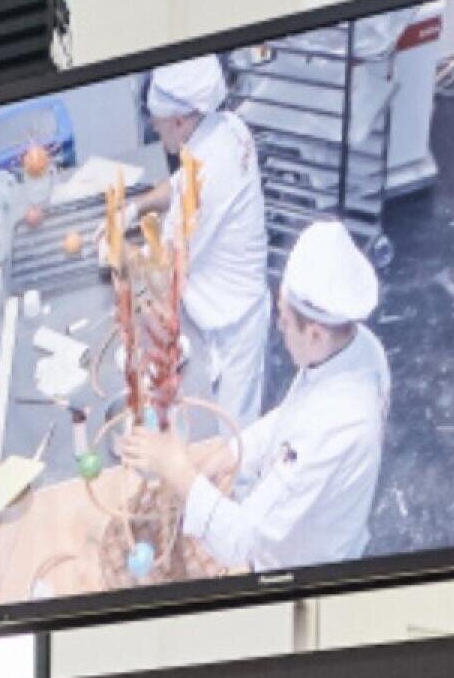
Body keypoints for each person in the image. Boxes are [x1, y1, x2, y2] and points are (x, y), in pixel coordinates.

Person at [120, 221, 390, 572]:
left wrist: (177, 469)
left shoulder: (338, 425)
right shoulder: (357, 345)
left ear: (316, 334)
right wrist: (230, 454)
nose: (280, 330)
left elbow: (239, 540)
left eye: (284, 322)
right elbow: (294, 415)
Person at [117, 55, 270, 426]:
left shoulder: (205, 183)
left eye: (159, 125)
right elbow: (179, 181)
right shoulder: (228, 126)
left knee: (231, 442)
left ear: (181, 121)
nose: (156, 130)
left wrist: (114, 245)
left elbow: (163, 267)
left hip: (230, 328)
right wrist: (135, 208)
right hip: (232, 309)